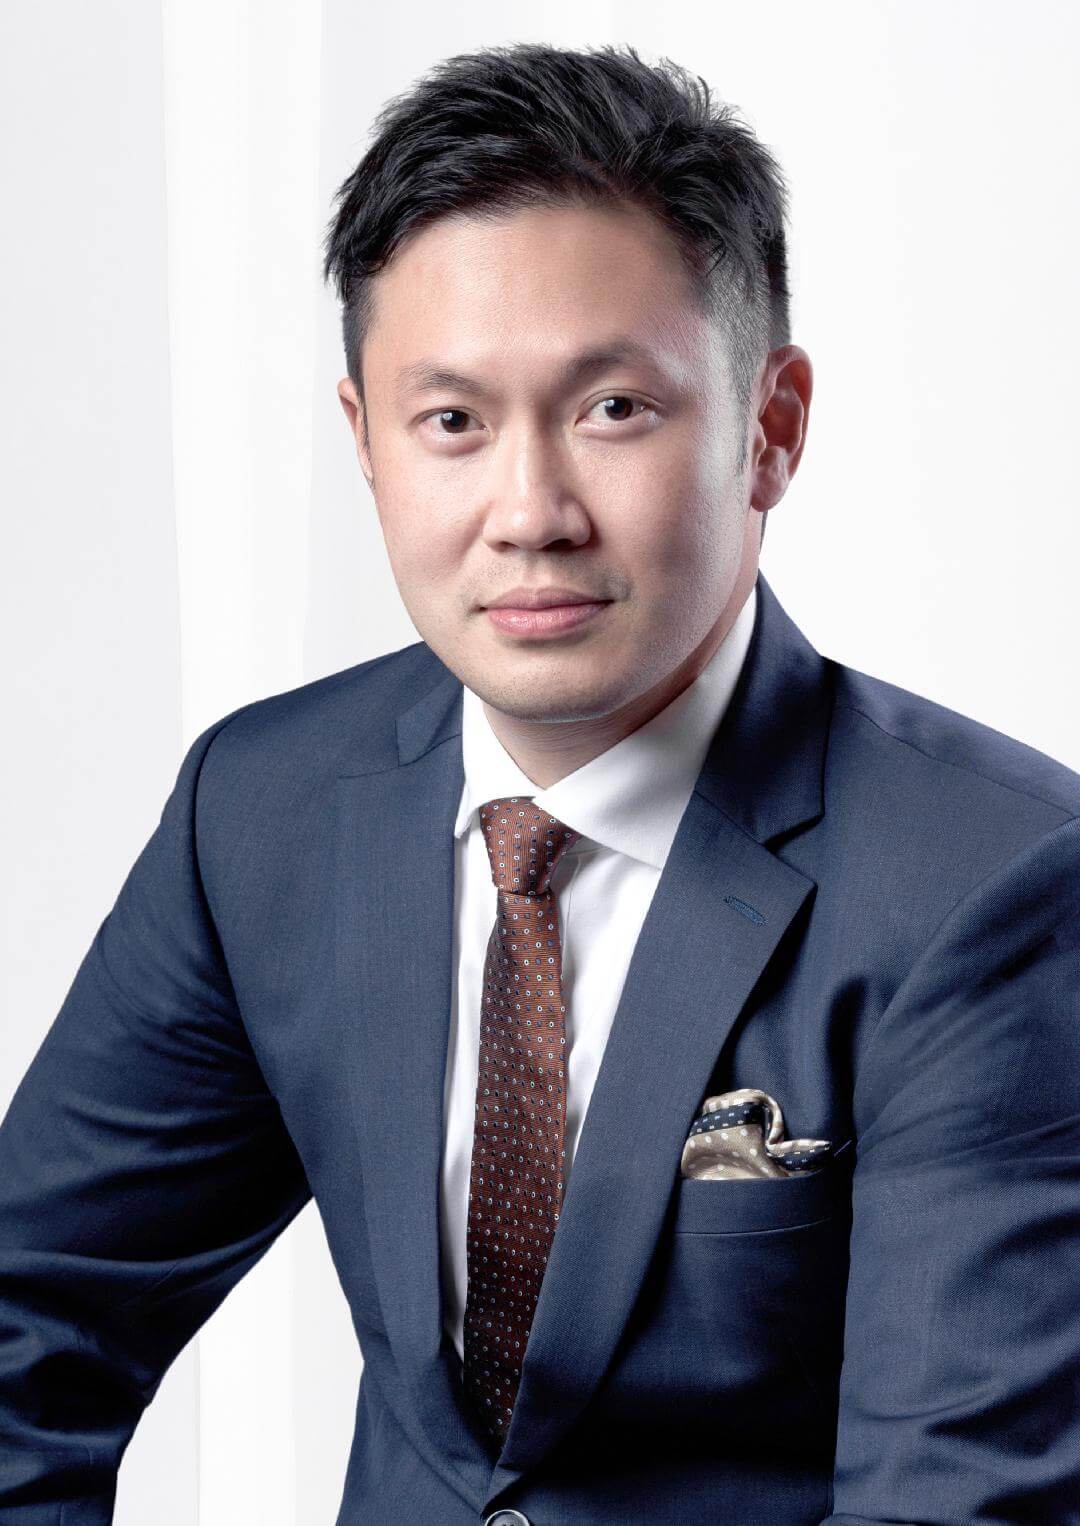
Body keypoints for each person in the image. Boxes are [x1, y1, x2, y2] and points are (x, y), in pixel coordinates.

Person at [2, 39, 1079, 1525]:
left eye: (613, 409)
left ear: (771, 428)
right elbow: (30, 1321)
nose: (529, 513)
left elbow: (952, 1509)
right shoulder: (261, 810)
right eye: (452, 421)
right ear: (364, 441)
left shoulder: (992, 883)